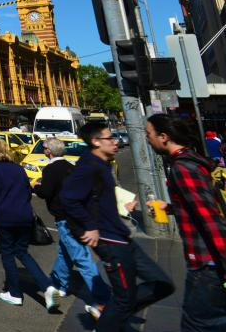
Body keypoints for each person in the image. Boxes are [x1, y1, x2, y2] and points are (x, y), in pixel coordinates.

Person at [63, 121, 174, 329]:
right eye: (110, 138)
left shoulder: (103, 164)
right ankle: (109, 319)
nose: (116, 142)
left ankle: (111, 313)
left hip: (121, 236)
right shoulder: (88, 167)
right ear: (96, 142)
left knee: (163, 285)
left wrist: (123, 207)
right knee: (124, 299)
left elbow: (98, 199)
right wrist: (90, 226)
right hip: (109, 241)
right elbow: (68, 198)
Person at [146, 114, 226, 331]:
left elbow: (210, 219)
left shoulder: (182, 168)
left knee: (198, 325)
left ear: (164, 137)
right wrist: (170, 208)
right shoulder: (192, 160)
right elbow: (199, 203)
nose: (148, 140)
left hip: (206, 263)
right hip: (208, 262)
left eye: (149, 134)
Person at [34, 137, 111, 315]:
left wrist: (35, 187)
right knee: (65, 252)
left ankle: (103, 299)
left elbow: (45, 192)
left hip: (65, 217)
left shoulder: (51, 169)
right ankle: (61, 283)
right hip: (77, 215)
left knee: (82, 258)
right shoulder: (71, 166)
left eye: (44, 147)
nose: (44, 150)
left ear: (49, 151)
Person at [0, 136, 59, 309]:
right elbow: (27, 193)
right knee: (23, 253)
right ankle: (47, 286)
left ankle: (15, 293)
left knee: (8, 255)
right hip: (24, 217)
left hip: (5, 219)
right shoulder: (18, 169)